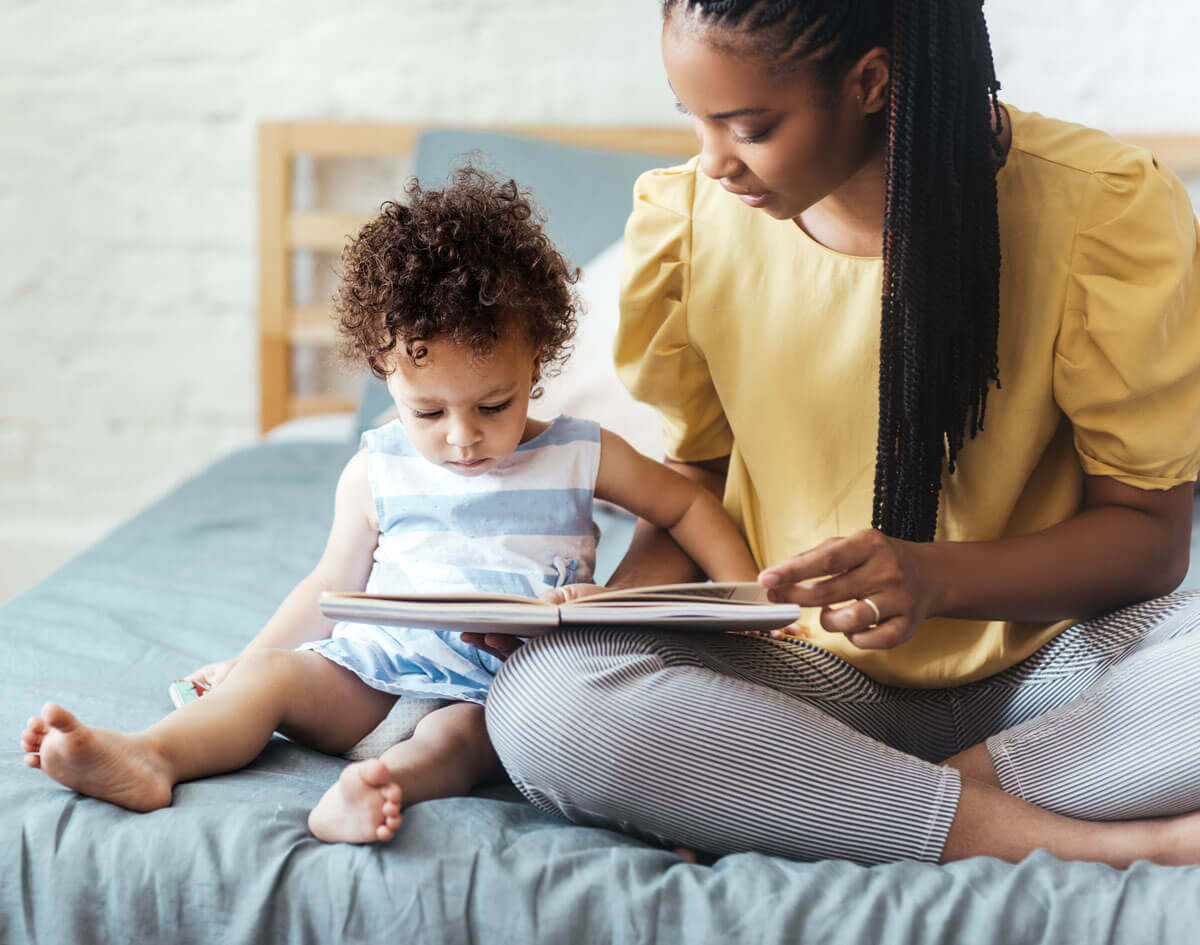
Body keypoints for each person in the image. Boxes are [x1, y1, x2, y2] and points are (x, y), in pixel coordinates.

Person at [472, 0, 1200, 867]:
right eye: (695, 121)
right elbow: (693, 487)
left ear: (869, 82)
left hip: (1052, 673)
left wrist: (929, 577)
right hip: (797, 675)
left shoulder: (1098, 208)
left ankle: (842, 800)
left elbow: (1152, 541)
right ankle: (1054, 836)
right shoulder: (691, 221)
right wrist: (610, 614)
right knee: (543, 704)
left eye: (749, 126)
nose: (714, 162)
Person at [18, 165, 759, 845]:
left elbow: (687, 506)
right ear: (383, 370)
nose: (464, 438)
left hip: (503, 689)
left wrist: (745, 603)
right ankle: (151, 753)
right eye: (428, 413)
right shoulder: (377, 467)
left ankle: (375, 788)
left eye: (493, 404)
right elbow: (328, 585)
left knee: (458, 743)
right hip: (372, 675)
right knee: (271, 681)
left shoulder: (579, 452)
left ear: (538, 358)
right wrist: (246, 661)